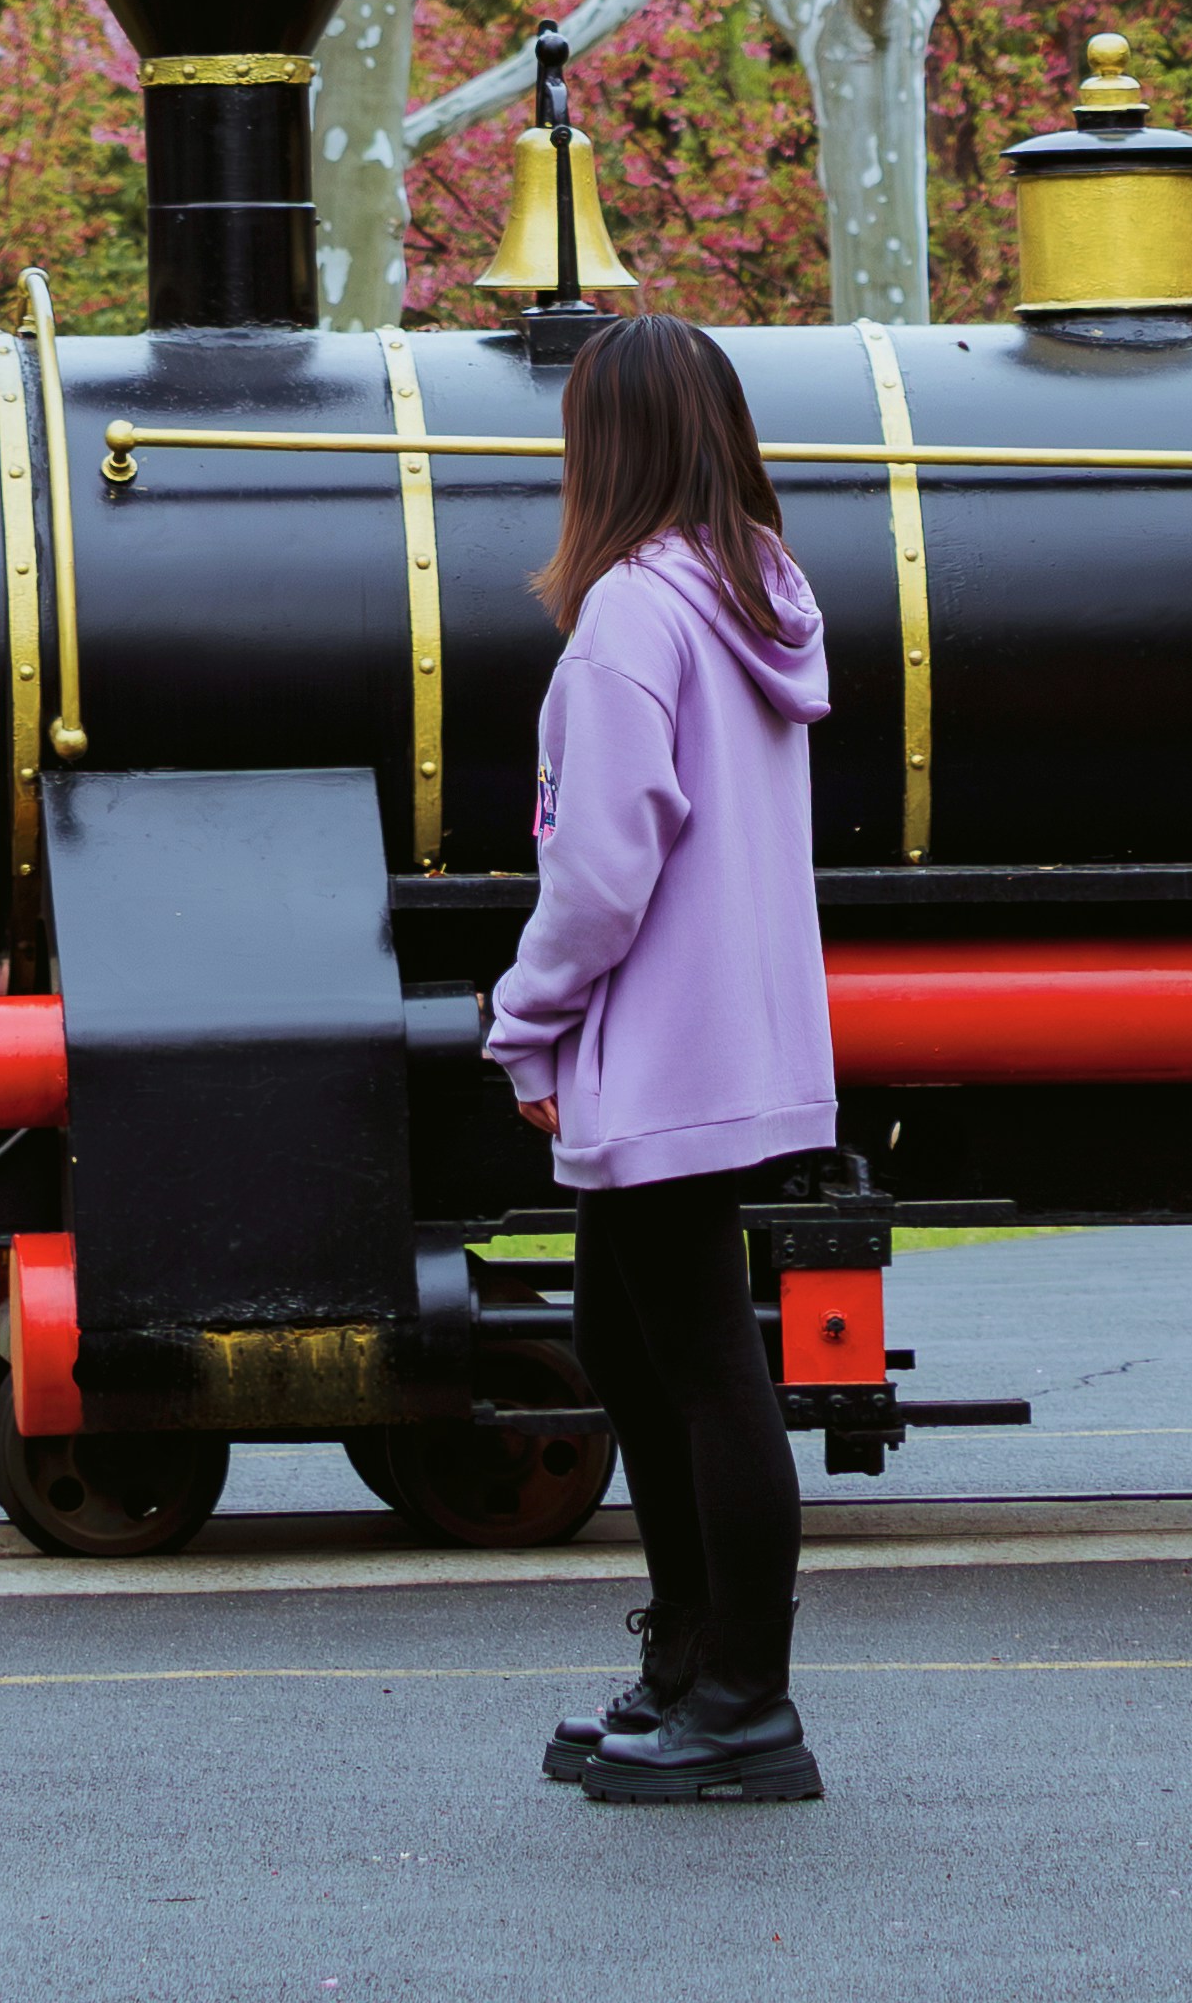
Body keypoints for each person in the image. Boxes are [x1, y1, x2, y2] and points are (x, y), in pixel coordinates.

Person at [486, 311, 839, 1810]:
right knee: (642, 1349)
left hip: (660, 1045)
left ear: (601, 446)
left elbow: (602, 867)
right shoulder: (752, 594)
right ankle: (691, 1669)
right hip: (731, 1029)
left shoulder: (635, 613)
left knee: (698, 1368)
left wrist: (523, 1016)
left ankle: (742, 1703)